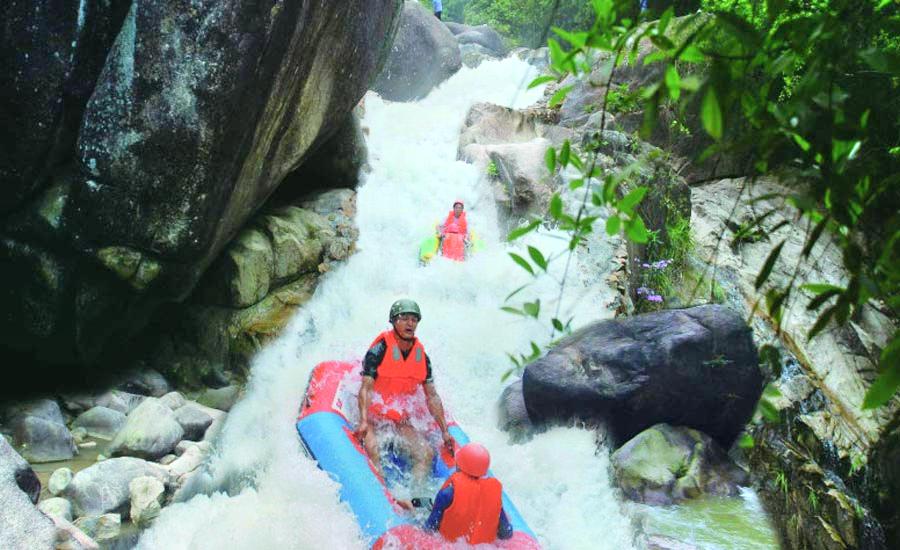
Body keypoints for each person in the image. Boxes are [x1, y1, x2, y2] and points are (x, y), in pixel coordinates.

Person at [356, 299, 454, 506]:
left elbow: (432, 396)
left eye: (414, 320)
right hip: (374, 416)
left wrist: (444, 430)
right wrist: (363, 420)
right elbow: (365, 387)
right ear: (393, 322)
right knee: (372, 447)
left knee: (425, 452)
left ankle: (415, 499)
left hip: (399, 419)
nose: (410, 324)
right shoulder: (378, 351)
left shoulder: (422, 358)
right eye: (404, 319)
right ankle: (384, 501)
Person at [424, 443, 513, 544]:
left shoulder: (447, 494)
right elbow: (506, 533)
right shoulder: (493, 495)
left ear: (458, 466)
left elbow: (430, 528)